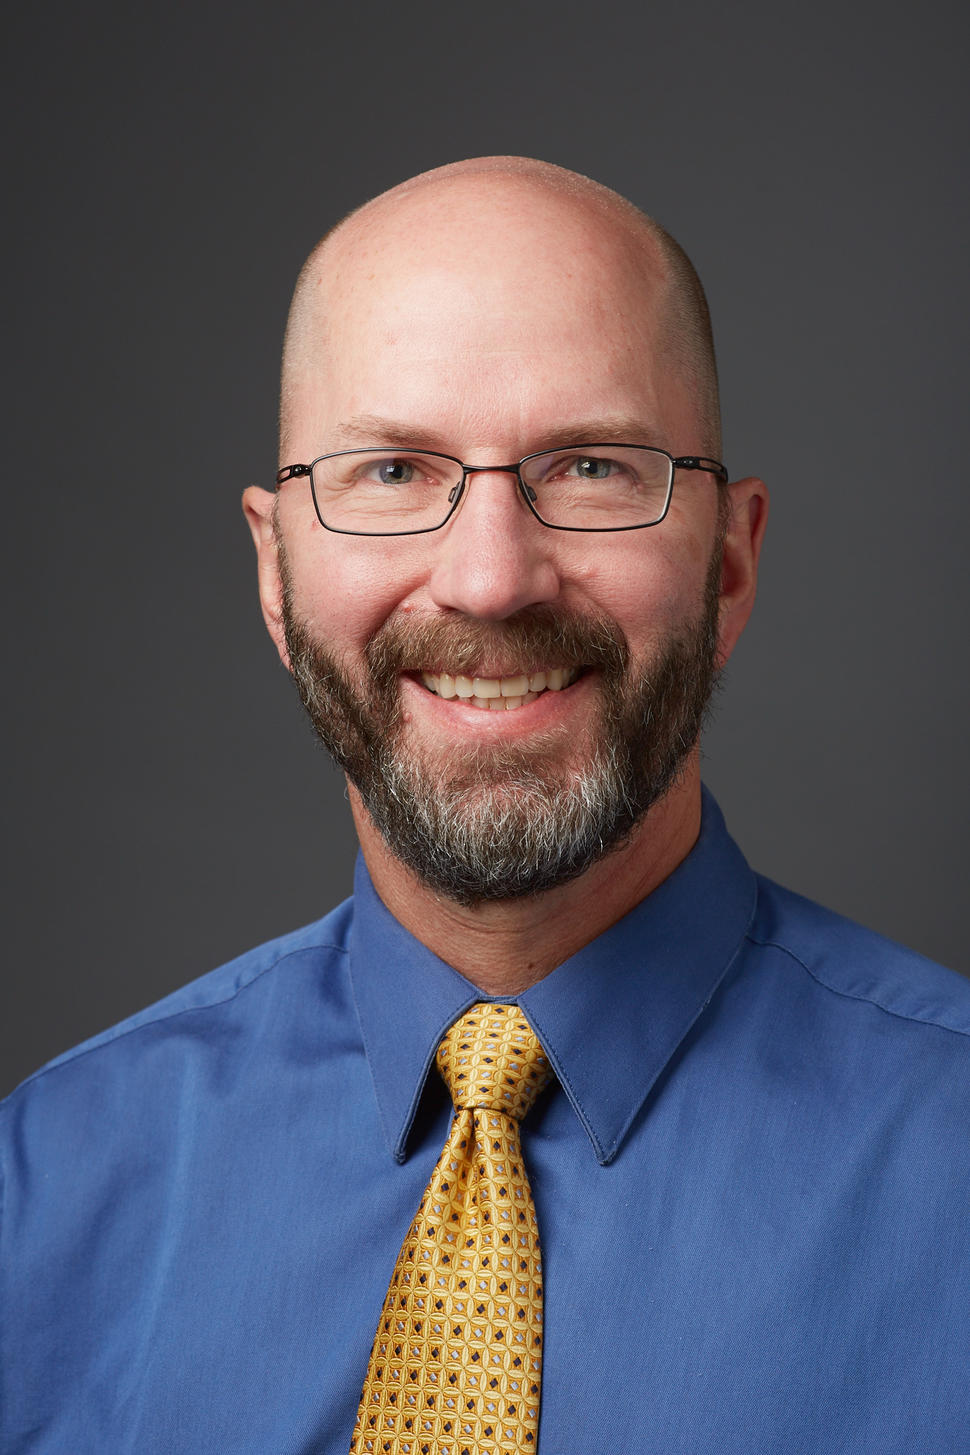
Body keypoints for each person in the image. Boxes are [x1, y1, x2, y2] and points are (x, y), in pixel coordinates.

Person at [2, 158, 967, 1455]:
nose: (489, 579)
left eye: (590, 466)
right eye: (393, 472)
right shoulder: (41, 1200)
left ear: (730, 563)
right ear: (275, 575)